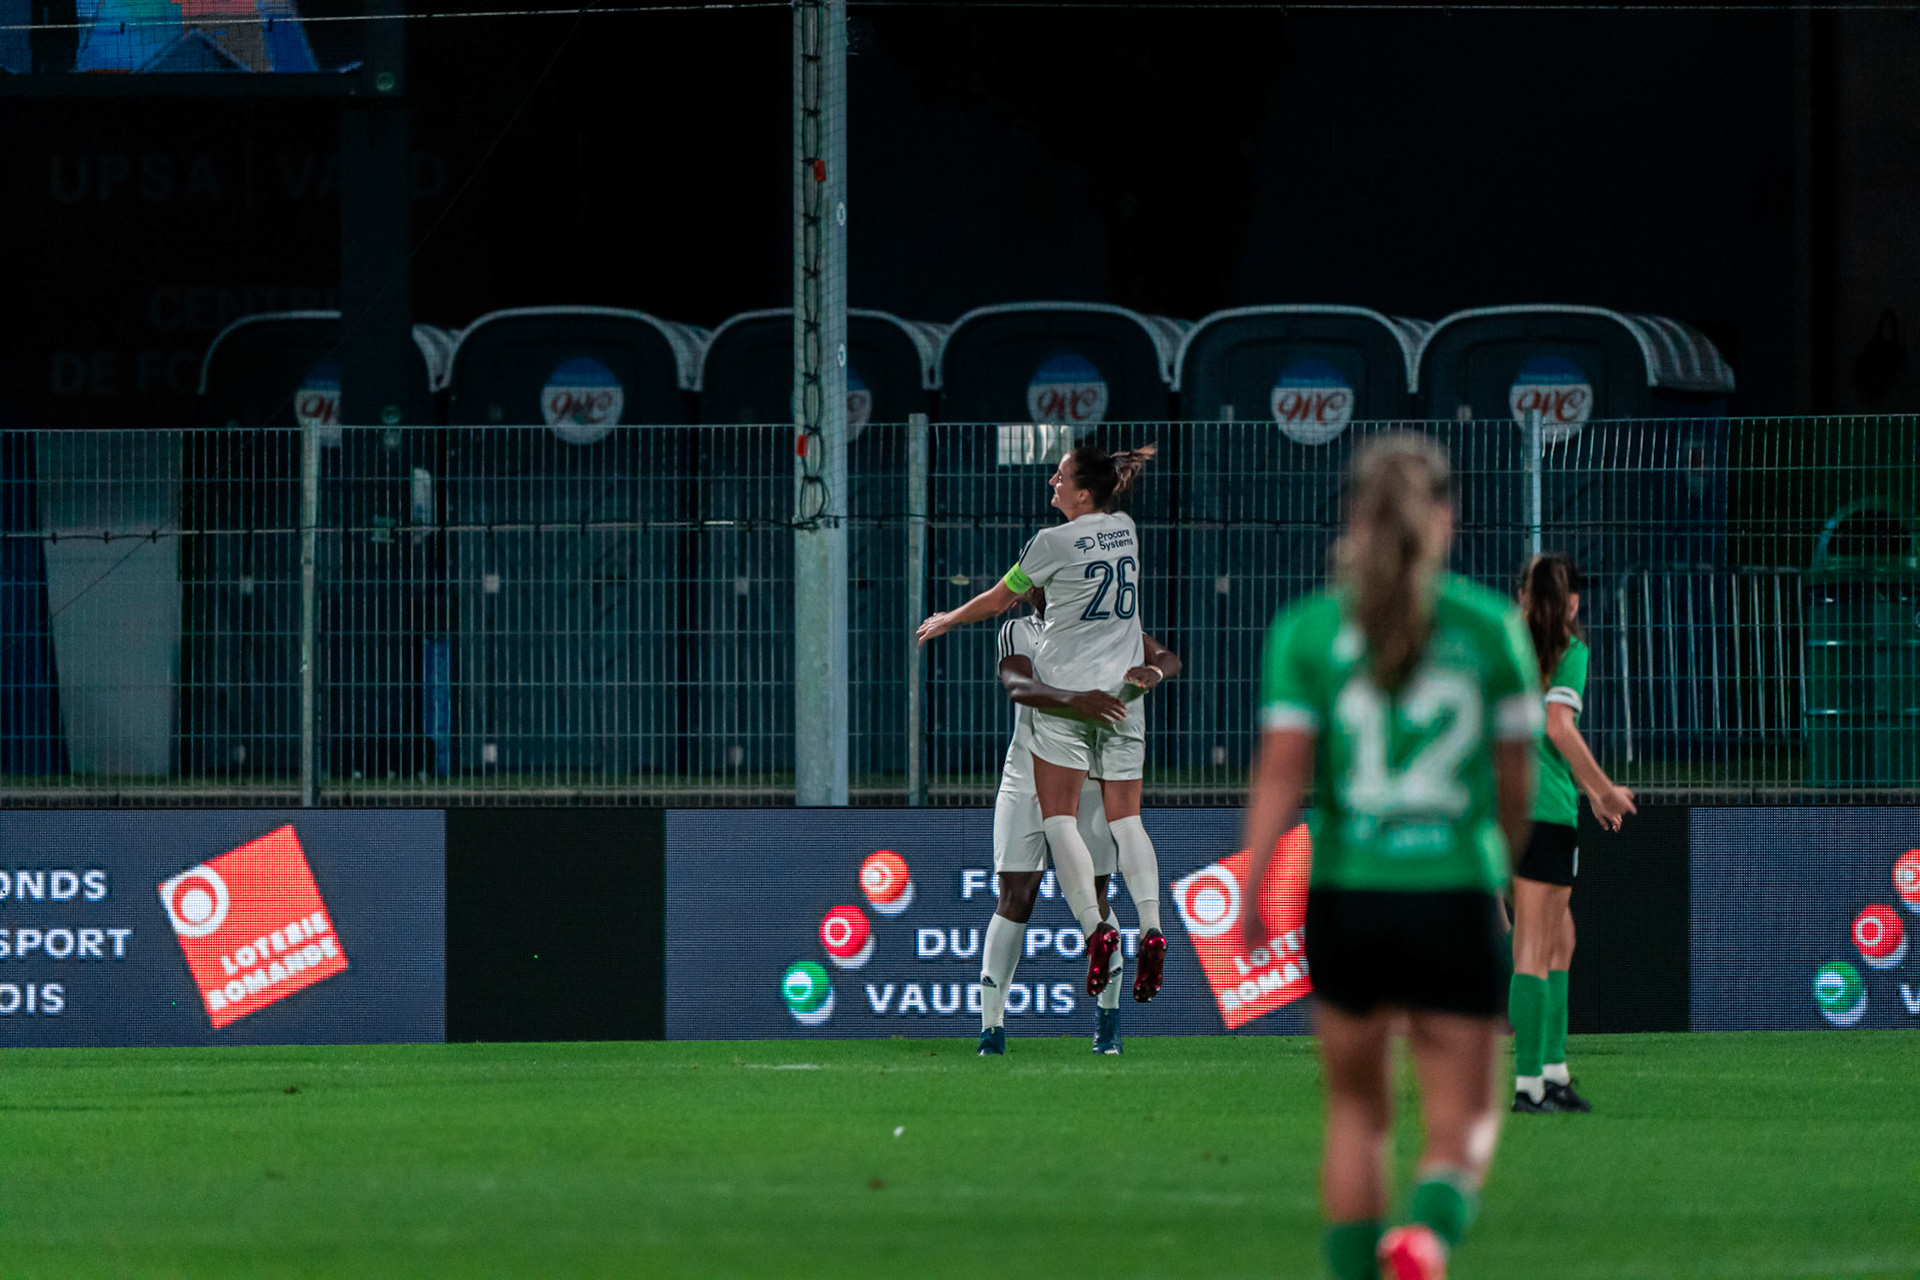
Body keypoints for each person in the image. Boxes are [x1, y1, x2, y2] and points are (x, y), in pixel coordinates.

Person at [1239, 435, 1540, 1280]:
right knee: (1464, 1120)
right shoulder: (1488, 628)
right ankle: (1428, 1240)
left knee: (1356, 1114)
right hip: (1451, 892)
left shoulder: (1307, 629)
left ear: (1355, 519)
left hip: (1346, 898)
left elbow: (1281, 773)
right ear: (1443, 518)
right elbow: (1516, 786)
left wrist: (1258, 880)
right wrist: (1496, 862)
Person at [918, 444, 1170, 1005]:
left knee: (1060, 823)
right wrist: (1152, 671)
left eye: (1061, 476)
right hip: (1125, 698)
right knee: (1127, 821)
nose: (1051, 482)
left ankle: (1097, 931)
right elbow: (1157, 648)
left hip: (1071, 702)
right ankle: (1151, 926)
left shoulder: (1051, 545)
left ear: (1083, 492)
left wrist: (948, 618)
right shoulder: (1125, 528)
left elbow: (996, 599)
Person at [978, 586, 1183, 1057]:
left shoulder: (1103, 629)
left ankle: (1108, 1025)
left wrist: (1153, 670)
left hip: (1076, 775)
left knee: (1093, 896)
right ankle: (992, 1029)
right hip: (1025, 776)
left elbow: (1166, 658)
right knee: (1015, 895)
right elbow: (1017, 685)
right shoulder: (1020, 630)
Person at [1508, 554, 1635, 1115]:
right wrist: (1604, 790)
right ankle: (1528, 1084)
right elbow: (1557, 726)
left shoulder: (1501, 647)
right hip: (1545, 812)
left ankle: (1552, 1072)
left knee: (1560, 940)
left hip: (1504, 810)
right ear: (1574, 602)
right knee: (1534, 948)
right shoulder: (1568, 650)